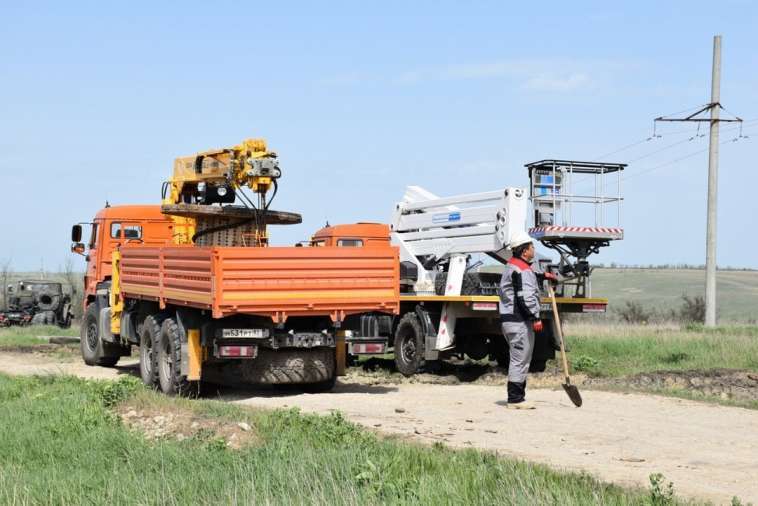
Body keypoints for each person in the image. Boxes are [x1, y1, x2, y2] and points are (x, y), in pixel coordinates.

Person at [498, 231, 548, 409]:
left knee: (518, 358)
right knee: (520, 359)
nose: (534, 249)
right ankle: (515, 399)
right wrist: (535, 317)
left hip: (510, 320)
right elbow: (524, 297)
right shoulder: (522, 270)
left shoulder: (513, 265)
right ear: (524, 251)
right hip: (519, 321)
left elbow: (519, 283)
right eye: (532, 246)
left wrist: (542, 276)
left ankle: (518, 397)